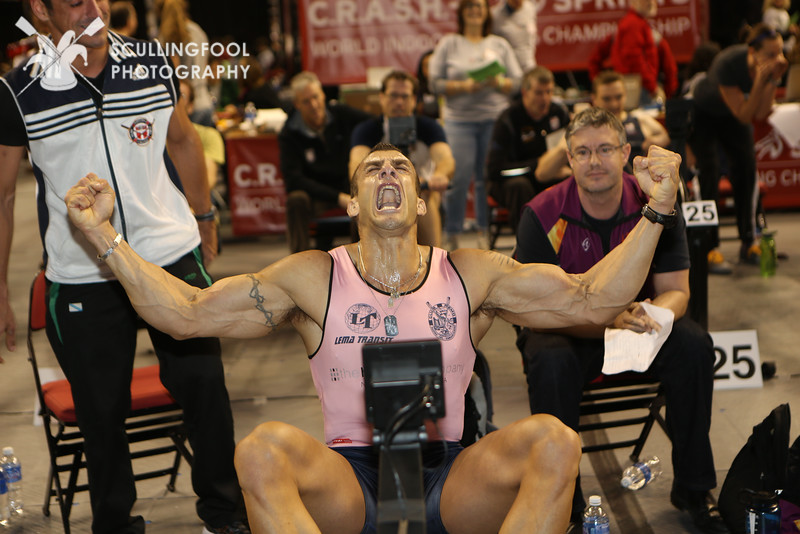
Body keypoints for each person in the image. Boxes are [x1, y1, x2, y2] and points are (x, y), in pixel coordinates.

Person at [62, 139, 682, 534]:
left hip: (446, 477)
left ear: (417, 202)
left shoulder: (470, 274)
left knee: (553, 440)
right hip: (352, 482)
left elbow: (595, 297)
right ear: (354, 203)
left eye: (401, 168)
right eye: (373, 169)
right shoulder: (312, 279)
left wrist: (656, 208)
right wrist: (104, 240)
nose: (388, 172)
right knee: (260, 449)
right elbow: (189, 313)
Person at [0, 1, 247, 533]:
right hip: (82, 275)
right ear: (41, 10)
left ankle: (226, 518)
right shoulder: (20, 91)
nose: (93, 7)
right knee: (100, 414)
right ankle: (115, 526)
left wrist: (203, 218)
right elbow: (2, 197)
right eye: (74, 1)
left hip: (169, 260)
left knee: (205, 388)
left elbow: (182, 140)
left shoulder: (154, 62)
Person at [515, 107, 727, 534]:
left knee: (693, 345)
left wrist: (648, 314)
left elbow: (677, 289)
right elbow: (534, 312)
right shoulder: (541, 213)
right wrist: (607, 318)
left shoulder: (659, 198)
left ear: (627, 152)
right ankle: (567, 508)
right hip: (568, 332)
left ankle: (693, 488)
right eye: (583, 152)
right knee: (547, 359)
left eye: (605, 149)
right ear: (569, 159)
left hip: (636, 330)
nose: (594, 161)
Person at [688, 23, 787, 270]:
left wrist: (772, 79)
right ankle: (709, 247)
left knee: (746, 167)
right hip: (705, 113)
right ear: (753, 52)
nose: (779, 59)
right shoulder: (729, 62)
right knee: (708, 172)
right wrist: (760, 81)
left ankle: (748, 240)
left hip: (733, 116)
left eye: (781, 53)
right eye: (771, 55)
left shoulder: (766, 70)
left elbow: (761, 113)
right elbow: (744, 115)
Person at [429, 0, 523, 250]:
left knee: (485, 179)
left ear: (486, 12)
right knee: (457, 178)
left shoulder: (499, 44)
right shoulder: (449, 43)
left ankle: (484, 232)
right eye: (469, 6)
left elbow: (517, 82)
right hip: (459, 121)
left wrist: (498, 83)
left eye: (480, 6)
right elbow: (433, 83)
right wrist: (464, 87)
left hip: (494, 119)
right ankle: (452, 233)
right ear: (461, 12)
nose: (474, 10)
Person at [349, 70, 454, 248]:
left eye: (405, 97)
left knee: (425, 197)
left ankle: (435, 262)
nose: (399, 102)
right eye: (393, 96)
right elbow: (355, 166)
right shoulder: (366, 130)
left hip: (422, 194)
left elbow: (446, 159)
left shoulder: (428, 127)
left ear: (414, 100)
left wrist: (440, 175)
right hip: (380, 195)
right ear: (381, 97)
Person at [279, 71, 373, 253]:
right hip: (316, 195)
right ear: (297, 105)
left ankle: (363, 259)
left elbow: (374, 125)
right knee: (295, 199)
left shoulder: (342, 114)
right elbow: (293, 180)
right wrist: (337, 198)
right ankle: (301, 260)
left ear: (323, 95)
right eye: (306, 101)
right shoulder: (289, 133)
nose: (314, 105)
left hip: (349, 186)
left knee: (362, 196)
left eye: (315, 97)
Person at [486, 66, 571, 232]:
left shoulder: (559, 113)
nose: (545, 98)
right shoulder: (509, 119)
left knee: (571, 181)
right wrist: (536, 166)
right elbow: (495, 170)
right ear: (525, 92)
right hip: (511, 181)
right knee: (520, 186)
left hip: (551, 175)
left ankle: (569, 240)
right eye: (539, 93)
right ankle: (526, 245)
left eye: (549, 92)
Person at [596, 0, 677, 104]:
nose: (651, 3)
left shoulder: (638, 23)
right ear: (634, 2)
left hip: (641, 86)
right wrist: (652, 87)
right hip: (639, 88)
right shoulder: (633, 24)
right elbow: (634, 61)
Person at [591, 70, 670, 170]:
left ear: (625, 95)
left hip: (637, 182)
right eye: (607, 99)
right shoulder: (586, 128)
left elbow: (668, 137)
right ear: (594, 99)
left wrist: (652, 142)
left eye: (618, 97)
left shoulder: (640, 120)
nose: (614, 104)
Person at [156, 0, 215, 127]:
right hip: (205, 101)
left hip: (187, 105)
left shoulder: (169, 35)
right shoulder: (198, 31)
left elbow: (173, 76)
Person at [491, 0, 537, 73]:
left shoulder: (530, 8)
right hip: (508, 69)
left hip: (529, 66)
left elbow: (531, 39)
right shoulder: (495, 15)